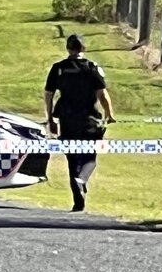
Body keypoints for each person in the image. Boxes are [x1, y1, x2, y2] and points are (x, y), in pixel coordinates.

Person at [44, 34, 116, 212]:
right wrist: (109, 114)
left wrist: (50, 118)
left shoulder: (58, 68)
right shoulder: (91, 67)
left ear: (68, 48)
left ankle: (78, 199)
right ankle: (82, 180)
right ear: (83, 48)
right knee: (90, 156)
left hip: (67, 119)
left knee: (72, 158)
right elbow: (102, 94)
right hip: (89, 119)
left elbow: (48, 94)